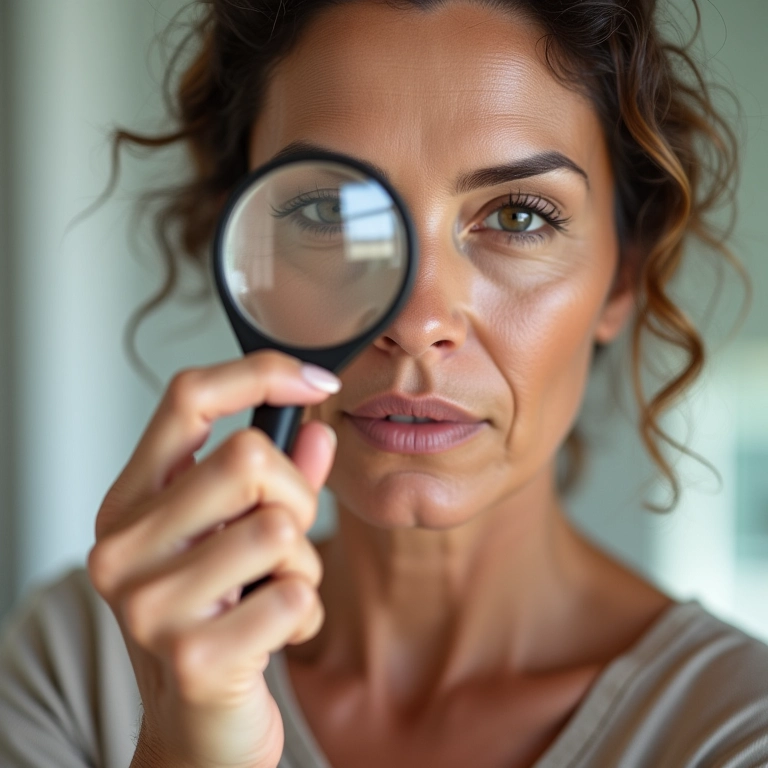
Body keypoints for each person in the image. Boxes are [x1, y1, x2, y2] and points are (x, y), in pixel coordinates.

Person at [1, 0, 766, 766]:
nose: (416, 318)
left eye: (519, 217)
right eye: (331, 210)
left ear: (624, 274)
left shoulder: (736, 730)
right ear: (241, 246)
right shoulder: (83, 667)